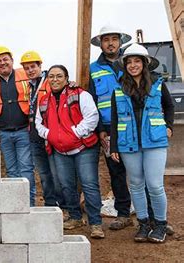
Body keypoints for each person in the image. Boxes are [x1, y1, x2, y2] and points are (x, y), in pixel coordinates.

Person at [110, 43, 174, 243]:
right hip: (129, 144)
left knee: (155, 185)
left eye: (137, 61)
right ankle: (143, 224)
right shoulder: (119, 89)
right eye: (129, 62)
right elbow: (115, 120)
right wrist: (114, 147)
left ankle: (160, 225)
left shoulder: (157, 84)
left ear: (145, 64)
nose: (133, 65)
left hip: (154, 141)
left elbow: (169, 106)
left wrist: (169, 126)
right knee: (136, 185)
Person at [36, 65, 105, 239]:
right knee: (66, 185)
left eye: (59, 76)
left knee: (89, 184)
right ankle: (74, 217)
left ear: (66, 78)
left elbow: (92, 117)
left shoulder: (80, 95)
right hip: (60, 150)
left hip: (84, 148)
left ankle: (95, 223)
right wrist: (49, 134)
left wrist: (75, 132)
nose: (55, 80)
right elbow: (38, 123)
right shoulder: (44, 101)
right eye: (51, 76)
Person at [89, 25, 133, 230]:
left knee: (139, 171)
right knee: (116, 172)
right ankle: (123, 214)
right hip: (107, 128)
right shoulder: (92, 69)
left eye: (114, 39)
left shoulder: (132, 62)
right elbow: (92, 101)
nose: (110, 43)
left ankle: (149, 215)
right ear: (101, 43)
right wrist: (100, 130)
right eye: (106, 40)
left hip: (132, 126)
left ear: (120, 41)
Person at [0, 46, 35, 206]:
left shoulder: (25, 76)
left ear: (12, 61)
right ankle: (16, 204)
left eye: (5, 59)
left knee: (26, 169)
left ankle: (29, 205)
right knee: (11, 171)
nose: (3, 63)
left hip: (24, 131)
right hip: (4, 134)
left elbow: (43, 80)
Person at [20, 51, 63, 207]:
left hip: (50, 135)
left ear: (40, 66)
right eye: (26, 68)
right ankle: (50, 204)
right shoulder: (29, 86)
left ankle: (61, 204)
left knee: (56, 173)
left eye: (33, 66)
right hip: (34, 136)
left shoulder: (49, 81)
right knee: (44, 174)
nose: (30, 70)